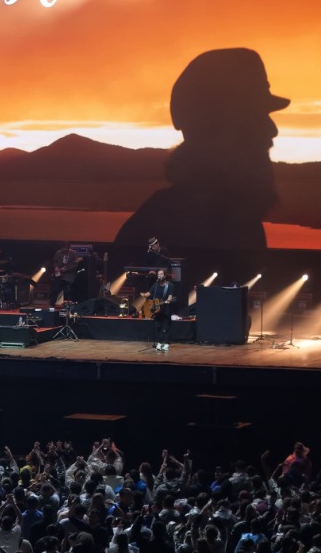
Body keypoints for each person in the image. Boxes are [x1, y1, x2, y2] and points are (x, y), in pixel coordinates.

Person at [115, 48, 291, 251]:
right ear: (217, 129)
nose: (271, 130)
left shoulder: (235, 218)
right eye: (253, 118)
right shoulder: (198, 224)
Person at [147, 270, 176, 352]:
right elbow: (149, 294)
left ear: (165, 275)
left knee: (166, 326)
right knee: (158, 326)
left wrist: (169, 300)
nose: (159, 276)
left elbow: (170, 297)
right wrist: (143, 294)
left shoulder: (169, 285)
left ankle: (166, 343)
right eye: (158, 274)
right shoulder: (155, 285)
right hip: (157, 309)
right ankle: (159, 342)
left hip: (166, 308)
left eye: (161, 274)